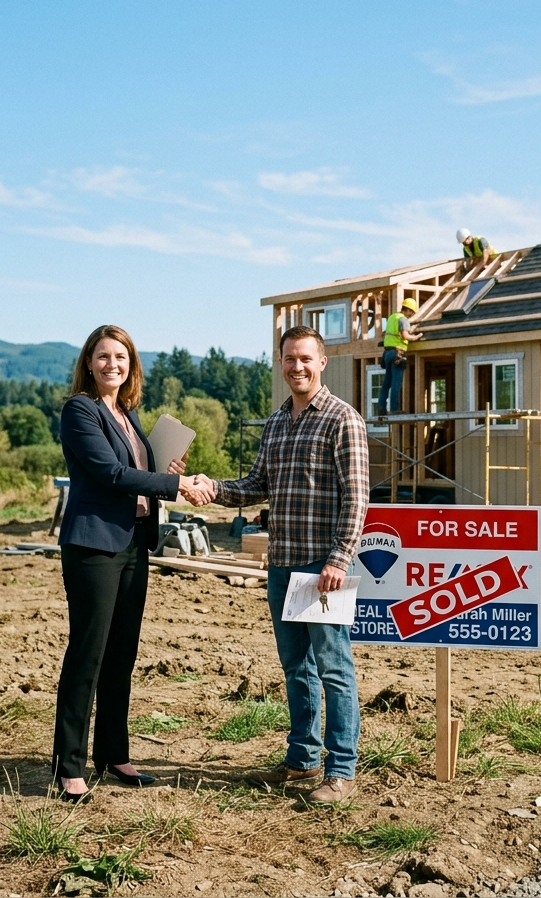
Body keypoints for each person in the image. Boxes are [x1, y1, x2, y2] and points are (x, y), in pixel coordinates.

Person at [202, 325, 369, 803]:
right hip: (283, 564)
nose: (297, 367)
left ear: (322, 363)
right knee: (296, 666)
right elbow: (256, 485)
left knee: (334, 666)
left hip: (322, 567)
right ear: (281, 364)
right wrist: (211, 488)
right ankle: (301, 760)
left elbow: (357, 498)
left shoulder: (343, 420)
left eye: (305, 359)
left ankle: (340, 771)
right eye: (289, 359)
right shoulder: (276, 423)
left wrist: (339, 557)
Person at [52, 325, 212, 802]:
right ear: (88, 363)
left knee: (121, 652)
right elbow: (108, 473)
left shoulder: (127, 413)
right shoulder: (80, 410)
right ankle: (69, 765)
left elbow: (134, 471)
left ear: (131, 365)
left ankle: (113, 754)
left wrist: (165, 472)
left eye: (120, 357)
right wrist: (176, 488)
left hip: (132, 545)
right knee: (88, 653)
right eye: (103, 357)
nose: (112, 365)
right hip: (94, 548)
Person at [377, 297, 423, 416]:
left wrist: (410, 329)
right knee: (396, 383)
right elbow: (405, 336)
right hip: (397, 353)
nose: (411, 315)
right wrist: (416, 337)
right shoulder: (402, 319)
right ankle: (394, 409)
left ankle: (381, 408)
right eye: (411, 312)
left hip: (387, 353)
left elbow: (387, 333)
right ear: (407, 310)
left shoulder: (393, 317)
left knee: (387, 383)